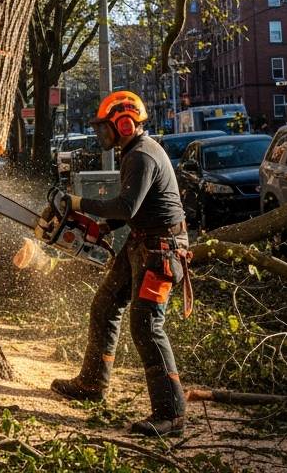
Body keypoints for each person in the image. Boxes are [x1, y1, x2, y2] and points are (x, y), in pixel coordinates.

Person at [47, 90, 192, 437]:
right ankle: (92, 384)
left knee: (147, 327)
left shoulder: (142, 156)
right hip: (140, 245)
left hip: (161, 253)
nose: (101, 134)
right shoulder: (135, 153)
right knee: (105, 304)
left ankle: (172, 414)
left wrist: (79, 202)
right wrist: (100, 228)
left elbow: (126, 206)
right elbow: (135, 211)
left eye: (104, 127)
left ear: (124, 123)